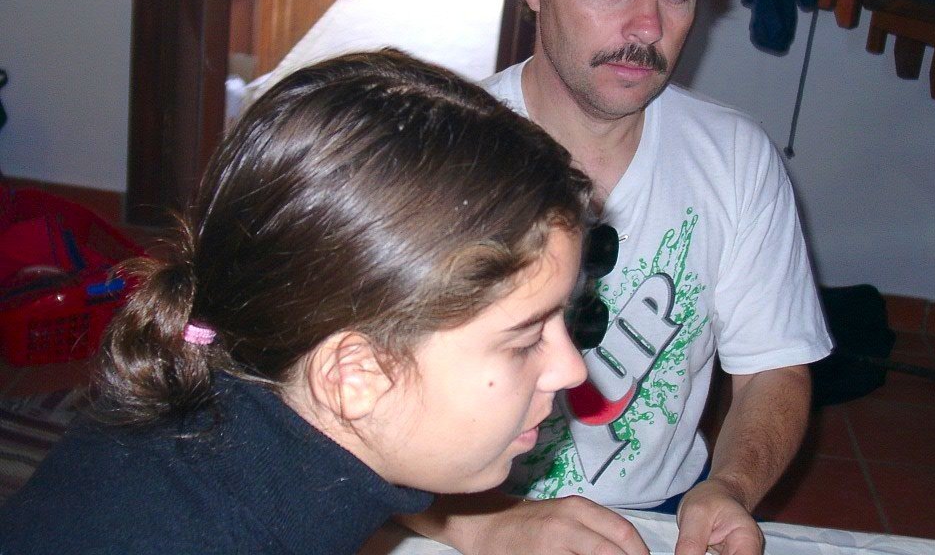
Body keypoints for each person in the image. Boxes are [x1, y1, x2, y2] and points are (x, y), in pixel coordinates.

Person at [399, 0, 833, 555]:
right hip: (458, 518)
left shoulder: (737, 159)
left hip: (657, 519)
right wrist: (488, 527)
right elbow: (343, 404)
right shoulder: (433, 155)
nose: (647, 28)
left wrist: (729, 487)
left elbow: (773, 369)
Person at [0, 50, 593, 555]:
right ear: (356, 376)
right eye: (525, 340)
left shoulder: (232, 398)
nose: (572, 369)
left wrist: (479, 526)